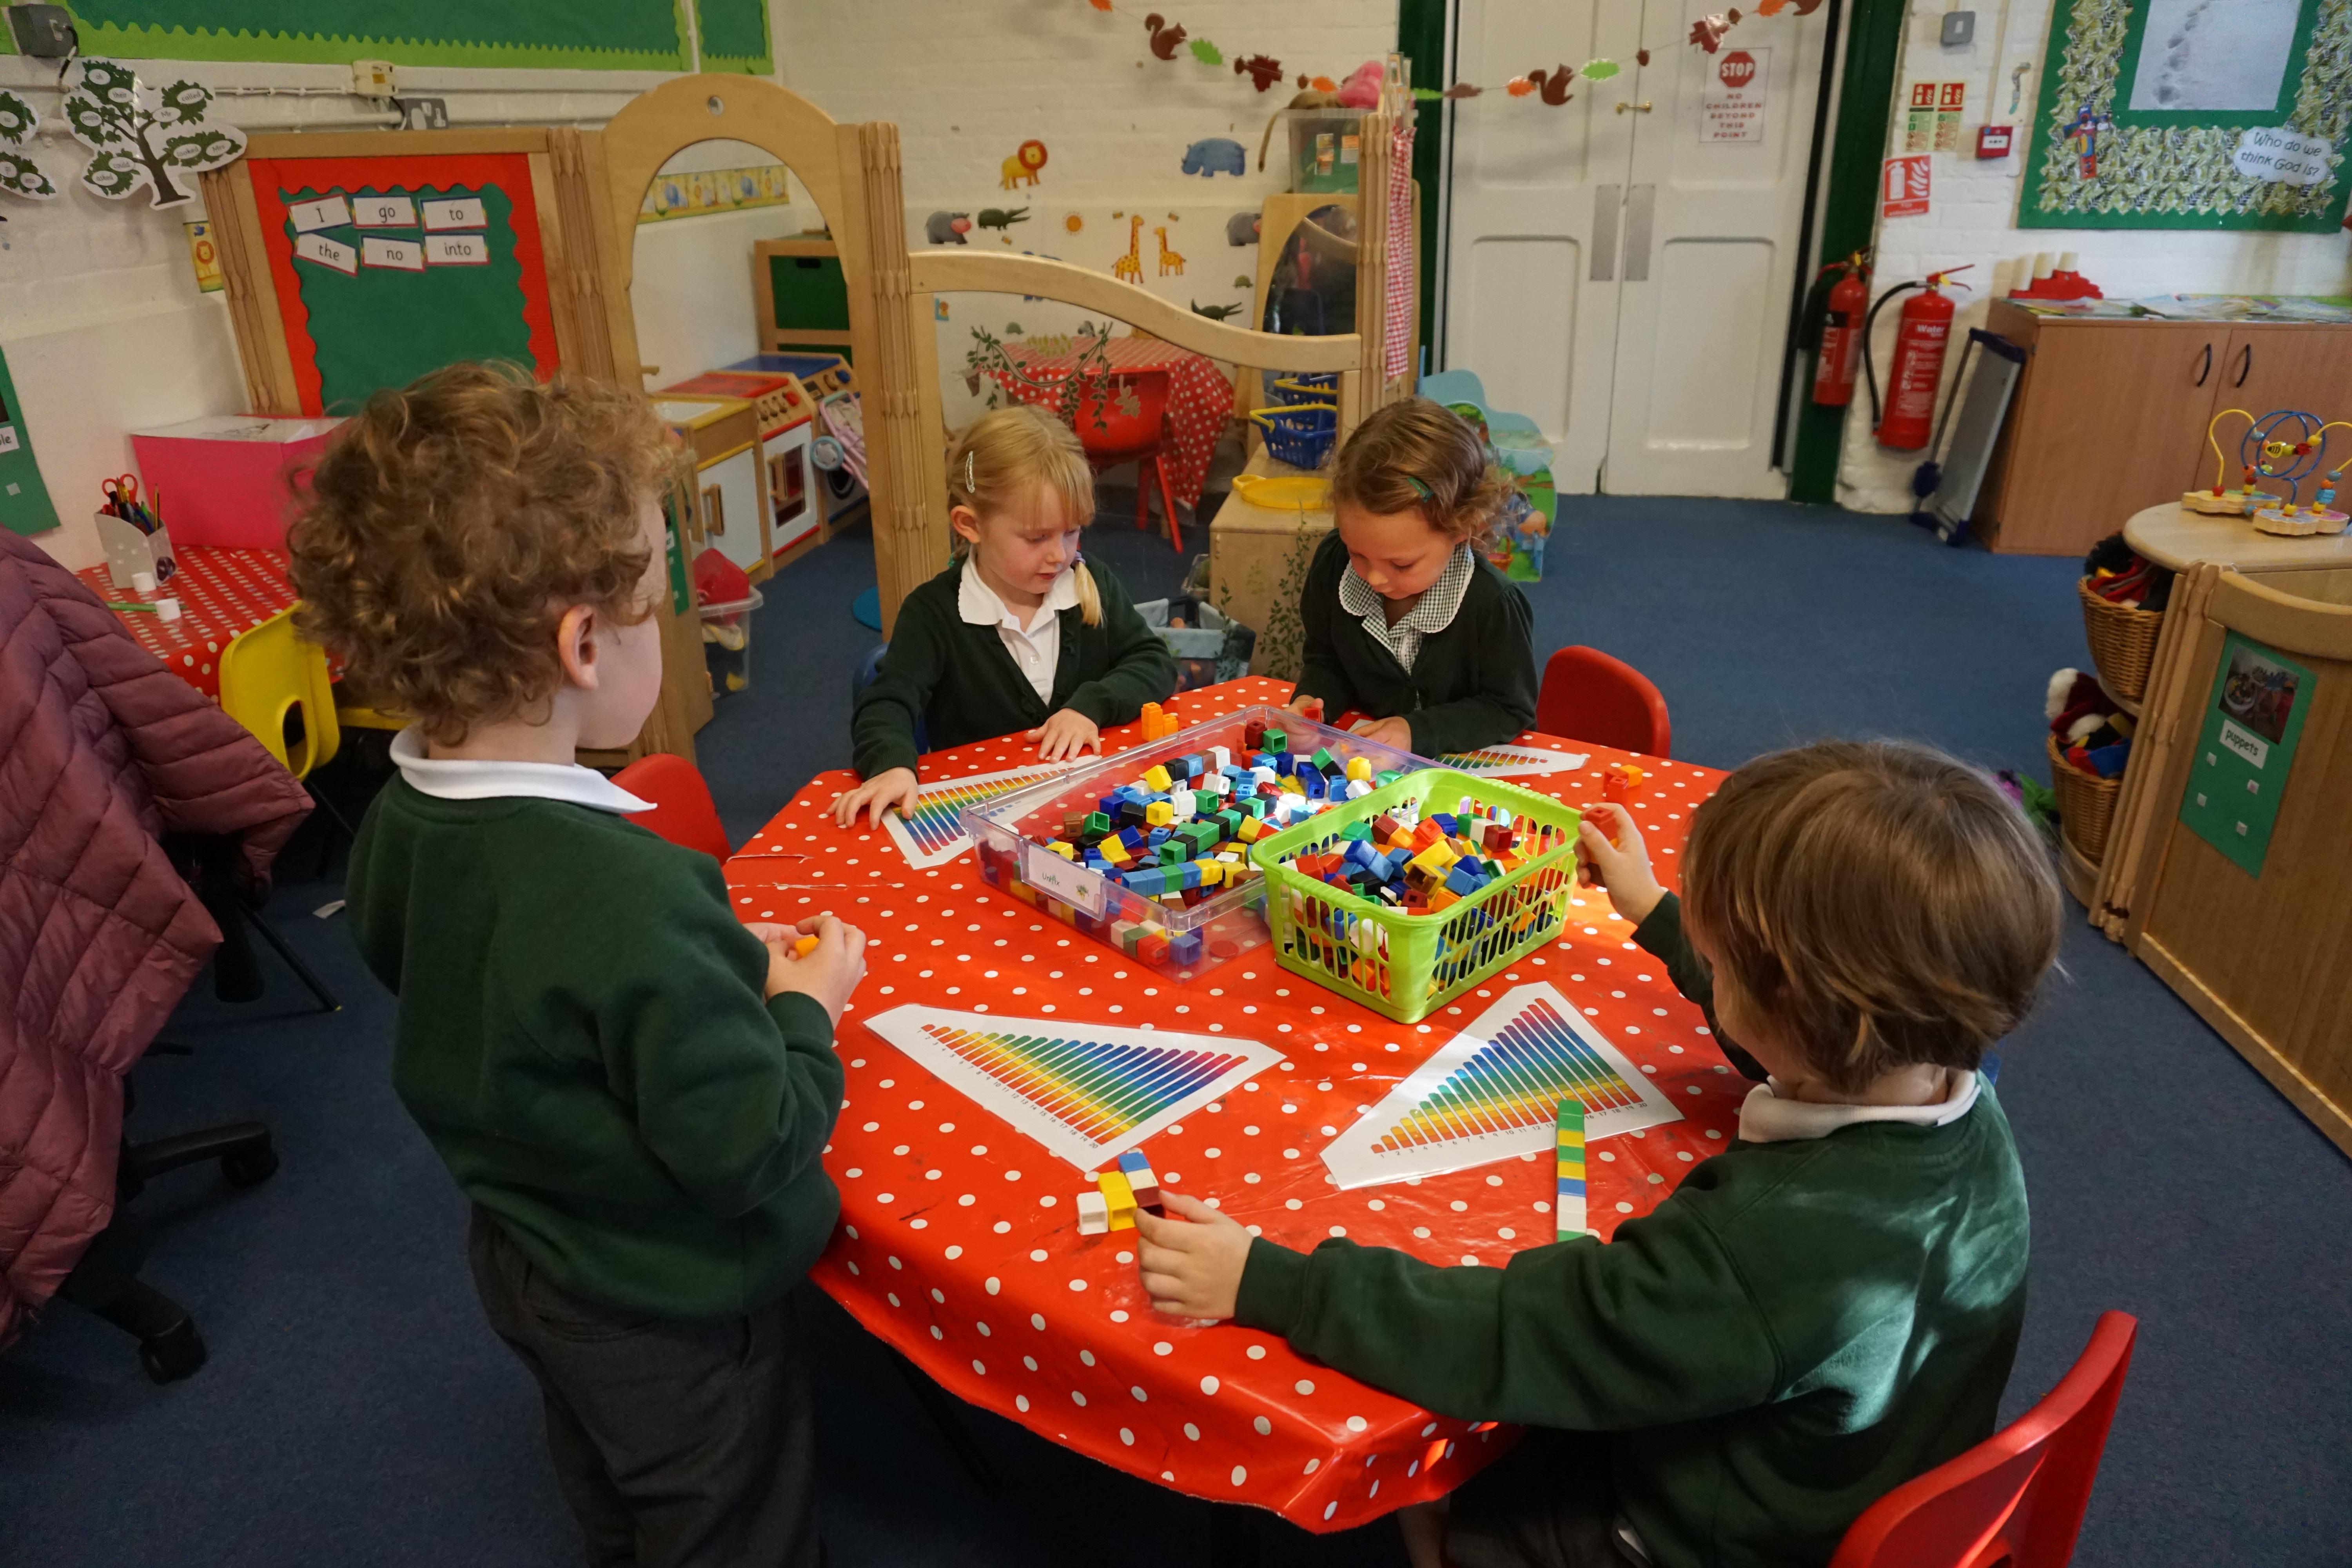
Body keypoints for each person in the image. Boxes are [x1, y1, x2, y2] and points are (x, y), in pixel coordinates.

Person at [1134, 741, 2063, 1568]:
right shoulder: (1953, 1091)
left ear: (1794, 1006)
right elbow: (1795, 1044)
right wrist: (1655, 912)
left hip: (1700, 1537)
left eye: (1717, 957)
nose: (1704, 953)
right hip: (1854, 1478)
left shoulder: (1759, 1249)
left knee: (1452, 1476)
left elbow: (1528, 1331)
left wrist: (1271, 1282)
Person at [290, 363, 863, 1568]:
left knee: (606, 1470)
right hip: (668, 1299)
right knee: (727, 1516)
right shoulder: (632, 890)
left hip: (523, 1249)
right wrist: (803, 1010)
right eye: (657, 604)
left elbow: (494, 976)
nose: (667, 624)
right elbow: (750, 1144)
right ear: (586, 642)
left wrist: (703, 967)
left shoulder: (396, 819)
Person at [835, 403, 1178, 828]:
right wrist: (892, 765)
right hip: (984, 821)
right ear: (970, 525)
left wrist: (1090, 706)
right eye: (1037, 538)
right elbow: (887, 703)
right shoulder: (932, 613)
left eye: (1072, 532)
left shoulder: (1091, 583)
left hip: (1090, 806)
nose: (1059, 555)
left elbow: (1153, 662)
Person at [1286, 398, 1538, 754]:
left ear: (1463, 526)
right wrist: (1311, 705)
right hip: (1365, 765)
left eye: (1401, 565)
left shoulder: (1494, 605)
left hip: (1462, 771)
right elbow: (1327, 662)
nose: (1375, 578)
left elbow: (1509, 709)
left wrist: (1414, 732)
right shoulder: (1333, 563)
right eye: (1357, 553)